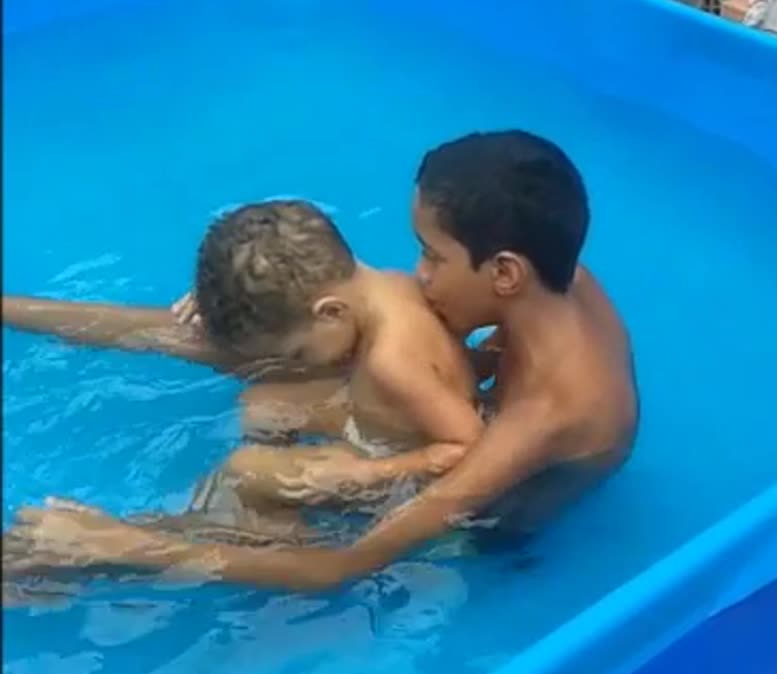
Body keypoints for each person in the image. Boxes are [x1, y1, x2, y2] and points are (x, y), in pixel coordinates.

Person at [5, 129, 639, 592]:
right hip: (464, 428)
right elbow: (482, 359)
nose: (419, 275)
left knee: (250, 474)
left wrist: (121, 546)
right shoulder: (557, 275)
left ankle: (80, 554)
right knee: (259, 358)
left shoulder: (544, 416)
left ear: (503, 272)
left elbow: (338, 570)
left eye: (433, 257)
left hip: (492, 519)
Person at [4, 199, 485, 549]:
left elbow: (474, 449)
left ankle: (105, 548)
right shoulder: (383, 288)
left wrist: (367, 473)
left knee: (244, 474)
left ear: (330, 312)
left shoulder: (392, 362)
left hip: (406, 476)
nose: (296, 362)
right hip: (373, 418)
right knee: (261, 407)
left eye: (298, 352)